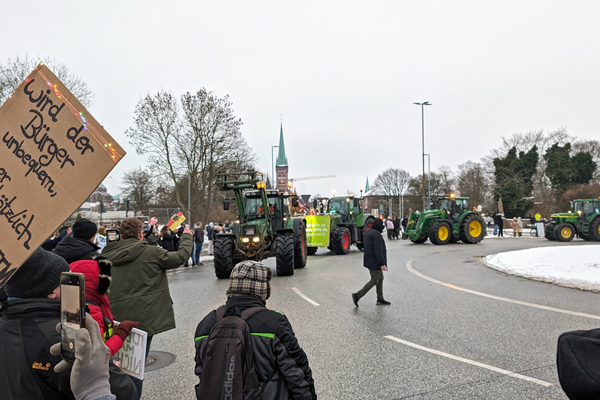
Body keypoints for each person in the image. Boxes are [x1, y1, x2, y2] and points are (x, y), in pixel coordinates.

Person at [0, 248, 137, 400]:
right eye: (65, 281)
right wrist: (103, 375)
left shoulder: (5, 323)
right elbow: (126, 392)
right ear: (51, 292)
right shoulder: (65, 335)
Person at [194, 260, 317, 399]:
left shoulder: (205, 324)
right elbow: (297, 374)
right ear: (263, 289)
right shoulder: (275, 323)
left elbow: (202, 372)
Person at [102, 218, 193, 398]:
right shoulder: (151, 253)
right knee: (135, 367)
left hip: (114, 319)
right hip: (142, 320)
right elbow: (180, 257)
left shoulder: (104, 257)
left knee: (115, 364)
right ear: (140, 234)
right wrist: (187, 237)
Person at [70, 257, 139, 355]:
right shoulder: (91, 310)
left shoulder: (72, 304)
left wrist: (105, 321)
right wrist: (121, 333)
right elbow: (99, 354)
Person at [352, 218, 390, 307]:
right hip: (375, 262)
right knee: (374, 280)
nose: (382, 226)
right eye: (381, 225)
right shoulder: (376, 234)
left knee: (380, 278)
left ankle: (380, 298)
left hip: (370, 260)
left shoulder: (369, 232)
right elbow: (378, 250)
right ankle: (357, 295)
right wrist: (382, 263)